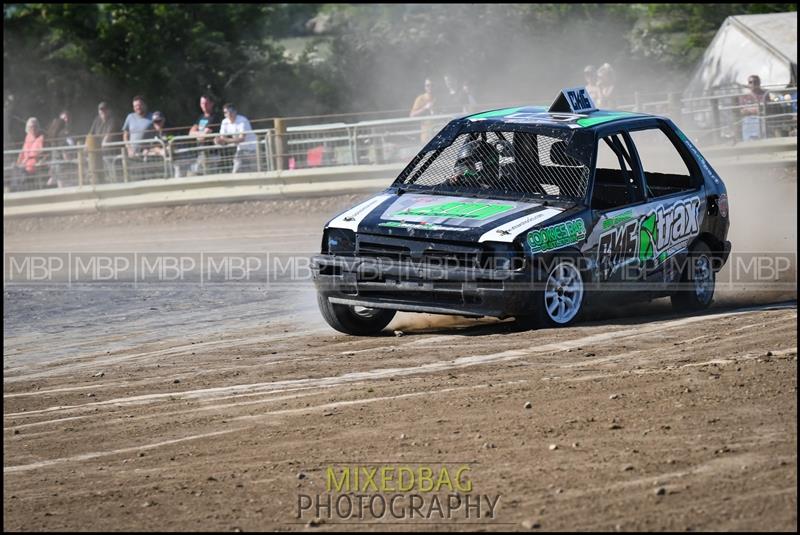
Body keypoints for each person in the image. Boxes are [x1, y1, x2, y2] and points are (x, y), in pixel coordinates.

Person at [214, 103, 258, 173]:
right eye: (226, 112)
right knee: (236, 170)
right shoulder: (224, 122)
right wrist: (218, 141)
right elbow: (222, 138)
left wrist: (225, 140)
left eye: (231, 111)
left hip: (253, 149)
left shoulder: (242, 120)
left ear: (235, 112)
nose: (228, 114)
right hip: (241, 150)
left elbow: (241, 139)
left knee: (255, 171)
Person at [187, 93, 223, 175]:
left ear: (212, 104)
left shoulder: (215, 118)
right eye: (202, 103)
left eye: (206, 103)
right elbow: (190, 132)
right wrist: (200, 134)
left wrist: (198, 134)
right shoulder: (200, 117)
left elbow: (203, 136)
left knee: (208, 176)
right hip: (201, 153)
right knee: (194, 174)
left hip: (211, 154)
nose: (204, 105)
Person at [86, 101, 120, 184]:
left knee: (110, 172)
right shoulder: (97, 119)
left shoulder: (113, 120)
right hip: (98, 152)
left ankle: (113, 184)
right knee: (95, 170)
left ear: (109, 110)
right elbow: (90, 134)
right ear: (98, 111)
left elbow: (108, 136)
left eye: (104, 109)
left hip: (109, 152)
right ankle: (95, 182)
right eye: (101, 110)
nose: (102, 112)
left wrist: (99, 149)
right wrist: (86, 146)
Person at [11, 117, 45, 191]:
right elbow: (23, 152)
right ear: (27, 128)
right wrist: (18, 162)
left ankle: (19, 190)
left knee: (21, 171)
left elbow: (38, 153)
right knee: (14, 167)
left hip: (32, 164)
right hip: (24, 164)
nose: (33, 129)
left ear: (38, 127)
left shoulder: (41, 138)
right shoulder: (28, 137)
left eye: (35, 126)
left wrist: (25, 161)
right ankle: (15, 190)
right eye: (31, 127)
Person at [45, 110, 77, 188]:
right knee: (62, 186)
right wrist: (73, 161)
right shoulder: (61, 136)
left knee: (52, 181)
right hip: (61, 165)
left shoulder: (53, 137)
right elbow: (65, 154)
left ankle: (44, 191)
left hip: (54, 164)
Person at [739, 74, 769, 141]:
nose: (753, 84)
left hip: (760, 120)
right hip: (748, 121)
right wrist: (755, 109)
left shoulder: (765, 94)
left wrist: (749, 110)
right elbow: (742, 111)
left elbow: (762, 109)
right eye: (750, 82)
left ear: (759, 83)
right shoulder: (744, 96)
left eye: (755, 82)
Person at [410, 78, 436, 143]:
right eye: (428, 85)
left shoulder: (437, 98)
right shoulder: (420, 98)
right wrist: (425, 108)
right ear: (425, 87)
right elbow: (412, 115)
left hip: (438, 133)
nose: (430, 87)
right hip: (426, 135)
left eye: (432, 85)